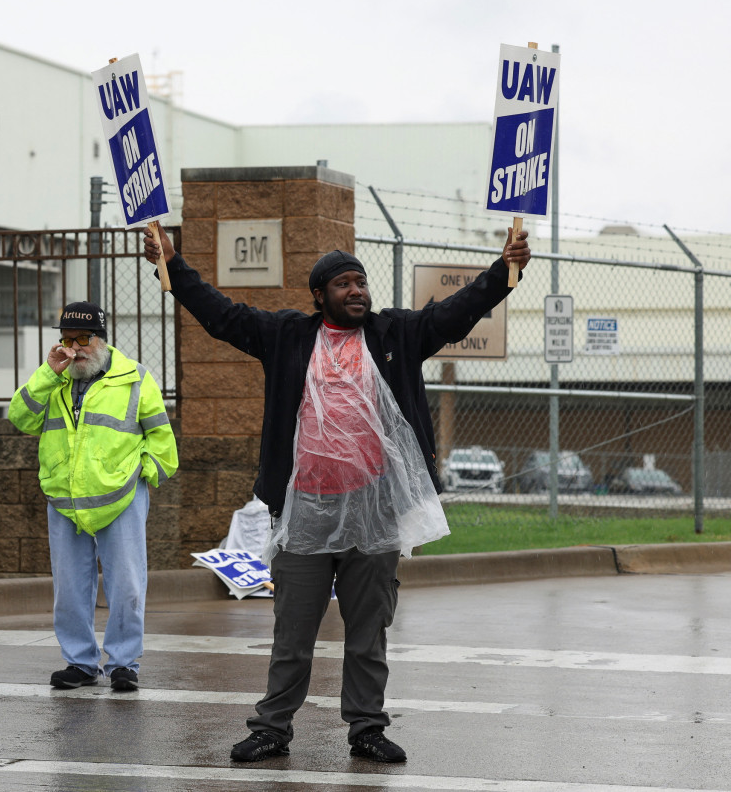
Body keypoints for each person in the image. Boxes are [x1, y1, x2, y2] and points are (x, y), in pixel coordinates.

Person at [143, 225, 531, 763]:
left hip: (374, 514)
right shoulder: (287, 337)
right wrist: (174, 266)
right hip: (305, 513)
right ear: (319, 295)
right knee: (292, 633)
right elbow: (223, 314)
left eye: (361, 282)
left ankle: (367, 727)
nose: (357, 292)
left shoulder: (396, 334)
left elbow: (456, 312)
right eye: (344, 284)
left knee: (368, 633)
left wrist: (504, 271)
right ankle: (272, 728)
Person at [7, 301, 178, 691]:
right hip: (65, 500)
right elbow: (20, 416)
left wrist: (144, 476)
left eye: (82, 339)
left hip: (120, 497)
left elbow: (162, 440)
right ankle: (81, 662)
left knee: (128, 585)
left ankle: (124, 663)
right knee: (68, 587)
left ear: (101, 338)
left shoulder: (136, 378)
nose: (75, 348)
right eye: (67, 339)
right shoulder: (56, 379)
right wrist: (47, 374)